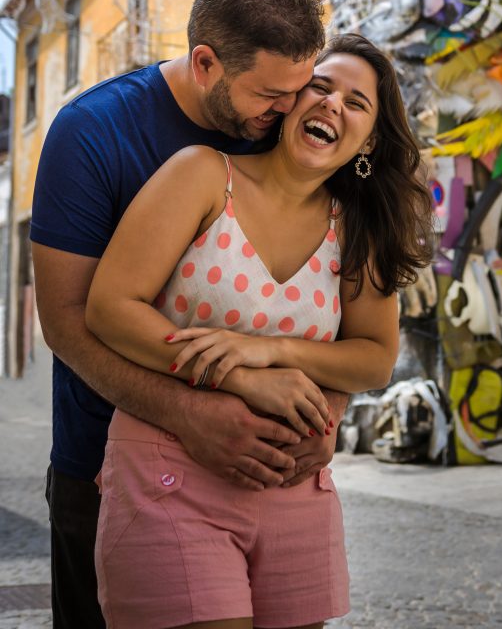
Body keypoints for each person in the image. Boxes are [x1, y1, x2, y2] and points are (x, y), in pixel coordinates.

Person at [85, 33, 434, 629]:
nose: (331, 105)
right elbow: (111, 308)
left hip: (295, 484)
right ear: (290, 103)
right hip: (171, 474)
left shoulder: (358, 229)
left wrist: (268, 350)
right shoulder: (201, 175)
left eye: (356, 103)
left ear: (369, 142)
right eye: (320, 88)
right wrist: (246, 379)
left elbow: (375, 359)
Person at [31, 0, 337, 629]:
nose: (290, 111)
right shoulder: (92, 134)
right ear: (206, 64)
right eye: (269, 95)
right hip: (104, 475)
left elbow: (331, 295)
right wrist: (189, 415)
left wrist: (327, 417)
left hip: (266, 482)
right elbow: (65, 323)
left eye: (300, 88)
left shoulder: (284, 132)